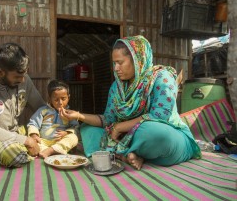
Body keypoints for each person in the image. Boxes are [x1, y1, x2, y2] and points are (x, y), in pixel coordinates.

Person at [60, 35, 201, 170]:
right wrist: (78, 116)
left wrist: (120, 127)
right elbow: (108, 120)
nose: (116, 68)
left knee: (151, 132)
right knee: (88, 129)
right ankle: (130, 155)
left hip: (166, 138)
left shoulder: (161, 77)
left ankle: (123, 153)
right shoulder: (117, 87)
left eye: (120, 63)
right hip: (129, 138)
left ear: (137, 59)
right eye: (114, 63)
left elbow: (159, 116)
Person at [27, 80, 79, 158]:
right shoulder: (43, 111)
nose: (60, 102)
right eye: (56, 99)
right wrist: (34, 135)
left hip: (61, 142)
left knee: (74, 138)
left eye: (63, 98)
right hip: (43, 142)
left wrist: (67, 133)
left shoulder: (70, 113)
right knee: (31, 144)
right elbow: (33, 124)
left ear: (68, 97)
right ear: (49, 99)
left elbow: (75, 127)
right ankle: (55, 151)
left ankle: (51, 151)